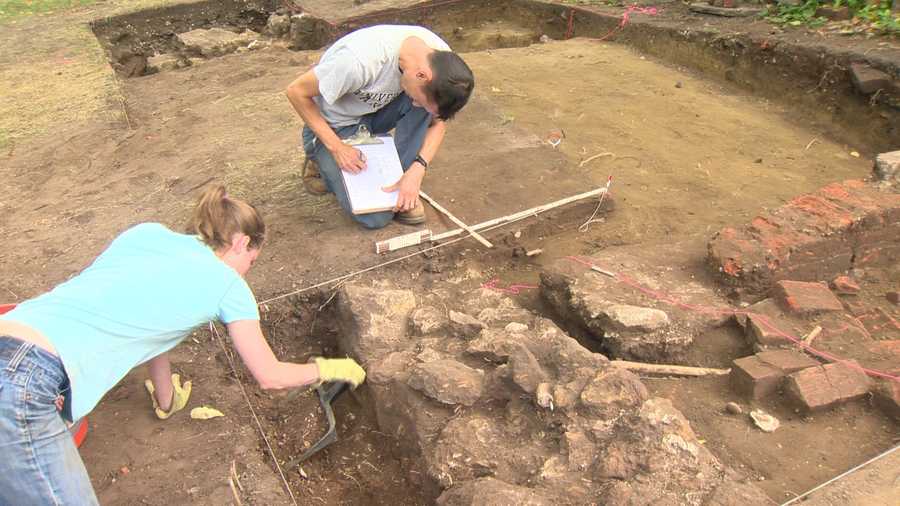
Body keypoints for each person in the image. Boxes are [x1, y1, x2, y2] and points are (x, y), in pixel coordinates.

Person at [0, 185, 366, 505]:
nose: (248, 271)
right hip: (28, 379)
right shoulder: (228, 284)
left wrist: (166, 397)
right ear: (241, 243)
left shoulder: (145, 235)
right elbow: (270, 376)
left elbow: (146, 318)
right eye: (252, 260)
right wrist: (330, 368)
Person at [286, 24, 475, 229]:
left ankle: (400, 180)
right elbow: (296, 91)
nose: (416, 105)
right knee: (376, 218)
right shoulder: (358, 62)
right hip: (337, 125)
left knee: (425, 107)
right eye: (418, 100)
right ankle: (317, 156)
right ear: (421, 75)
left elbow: (438, 123)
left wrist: (418, 168)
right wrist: (337, 148)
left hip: (376, 112)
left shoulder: (442, 63)